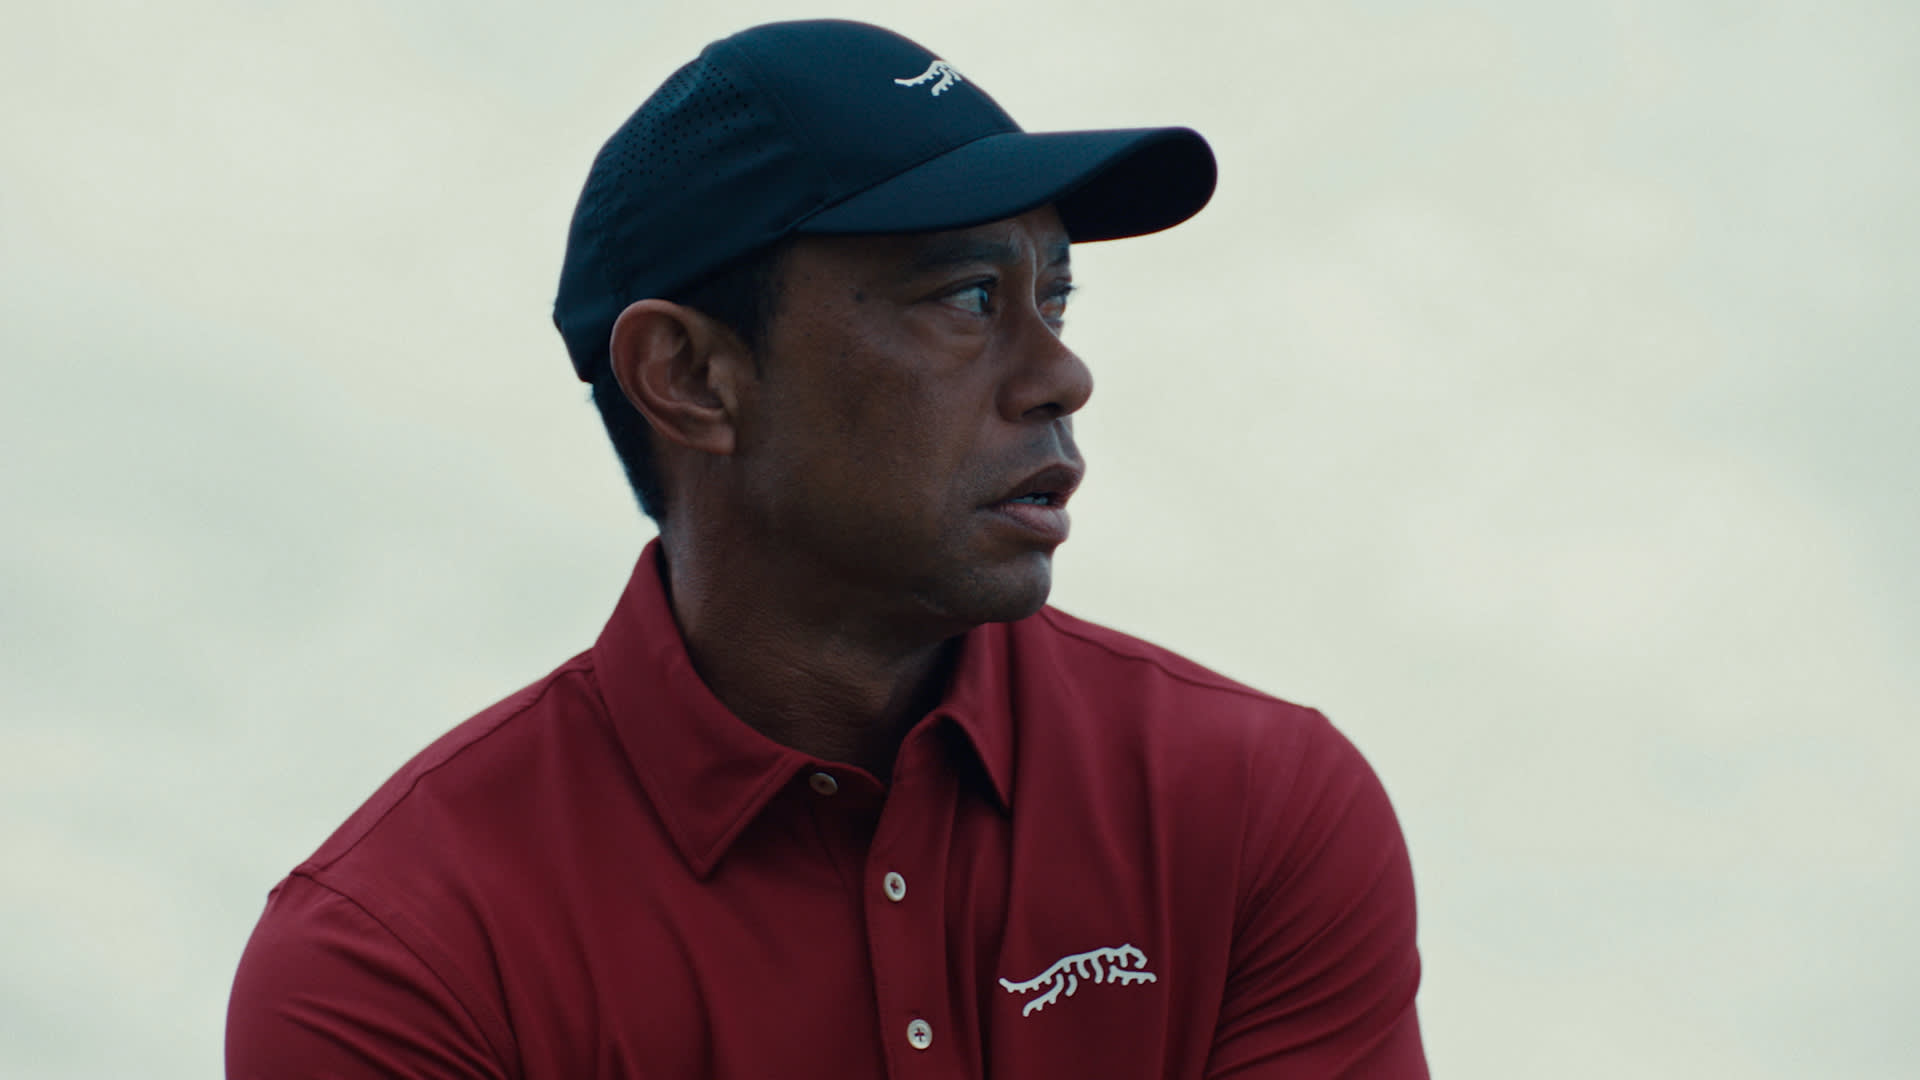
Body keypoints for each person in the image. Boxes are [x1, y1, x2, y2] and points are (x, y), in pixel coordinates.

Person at [226, 19, 1427, 1079]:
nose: (1063, 374)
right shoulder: (397, 963)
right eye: (966, 297)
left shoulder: (1259, 808)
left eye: (1055, 301)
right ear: (690, 376)